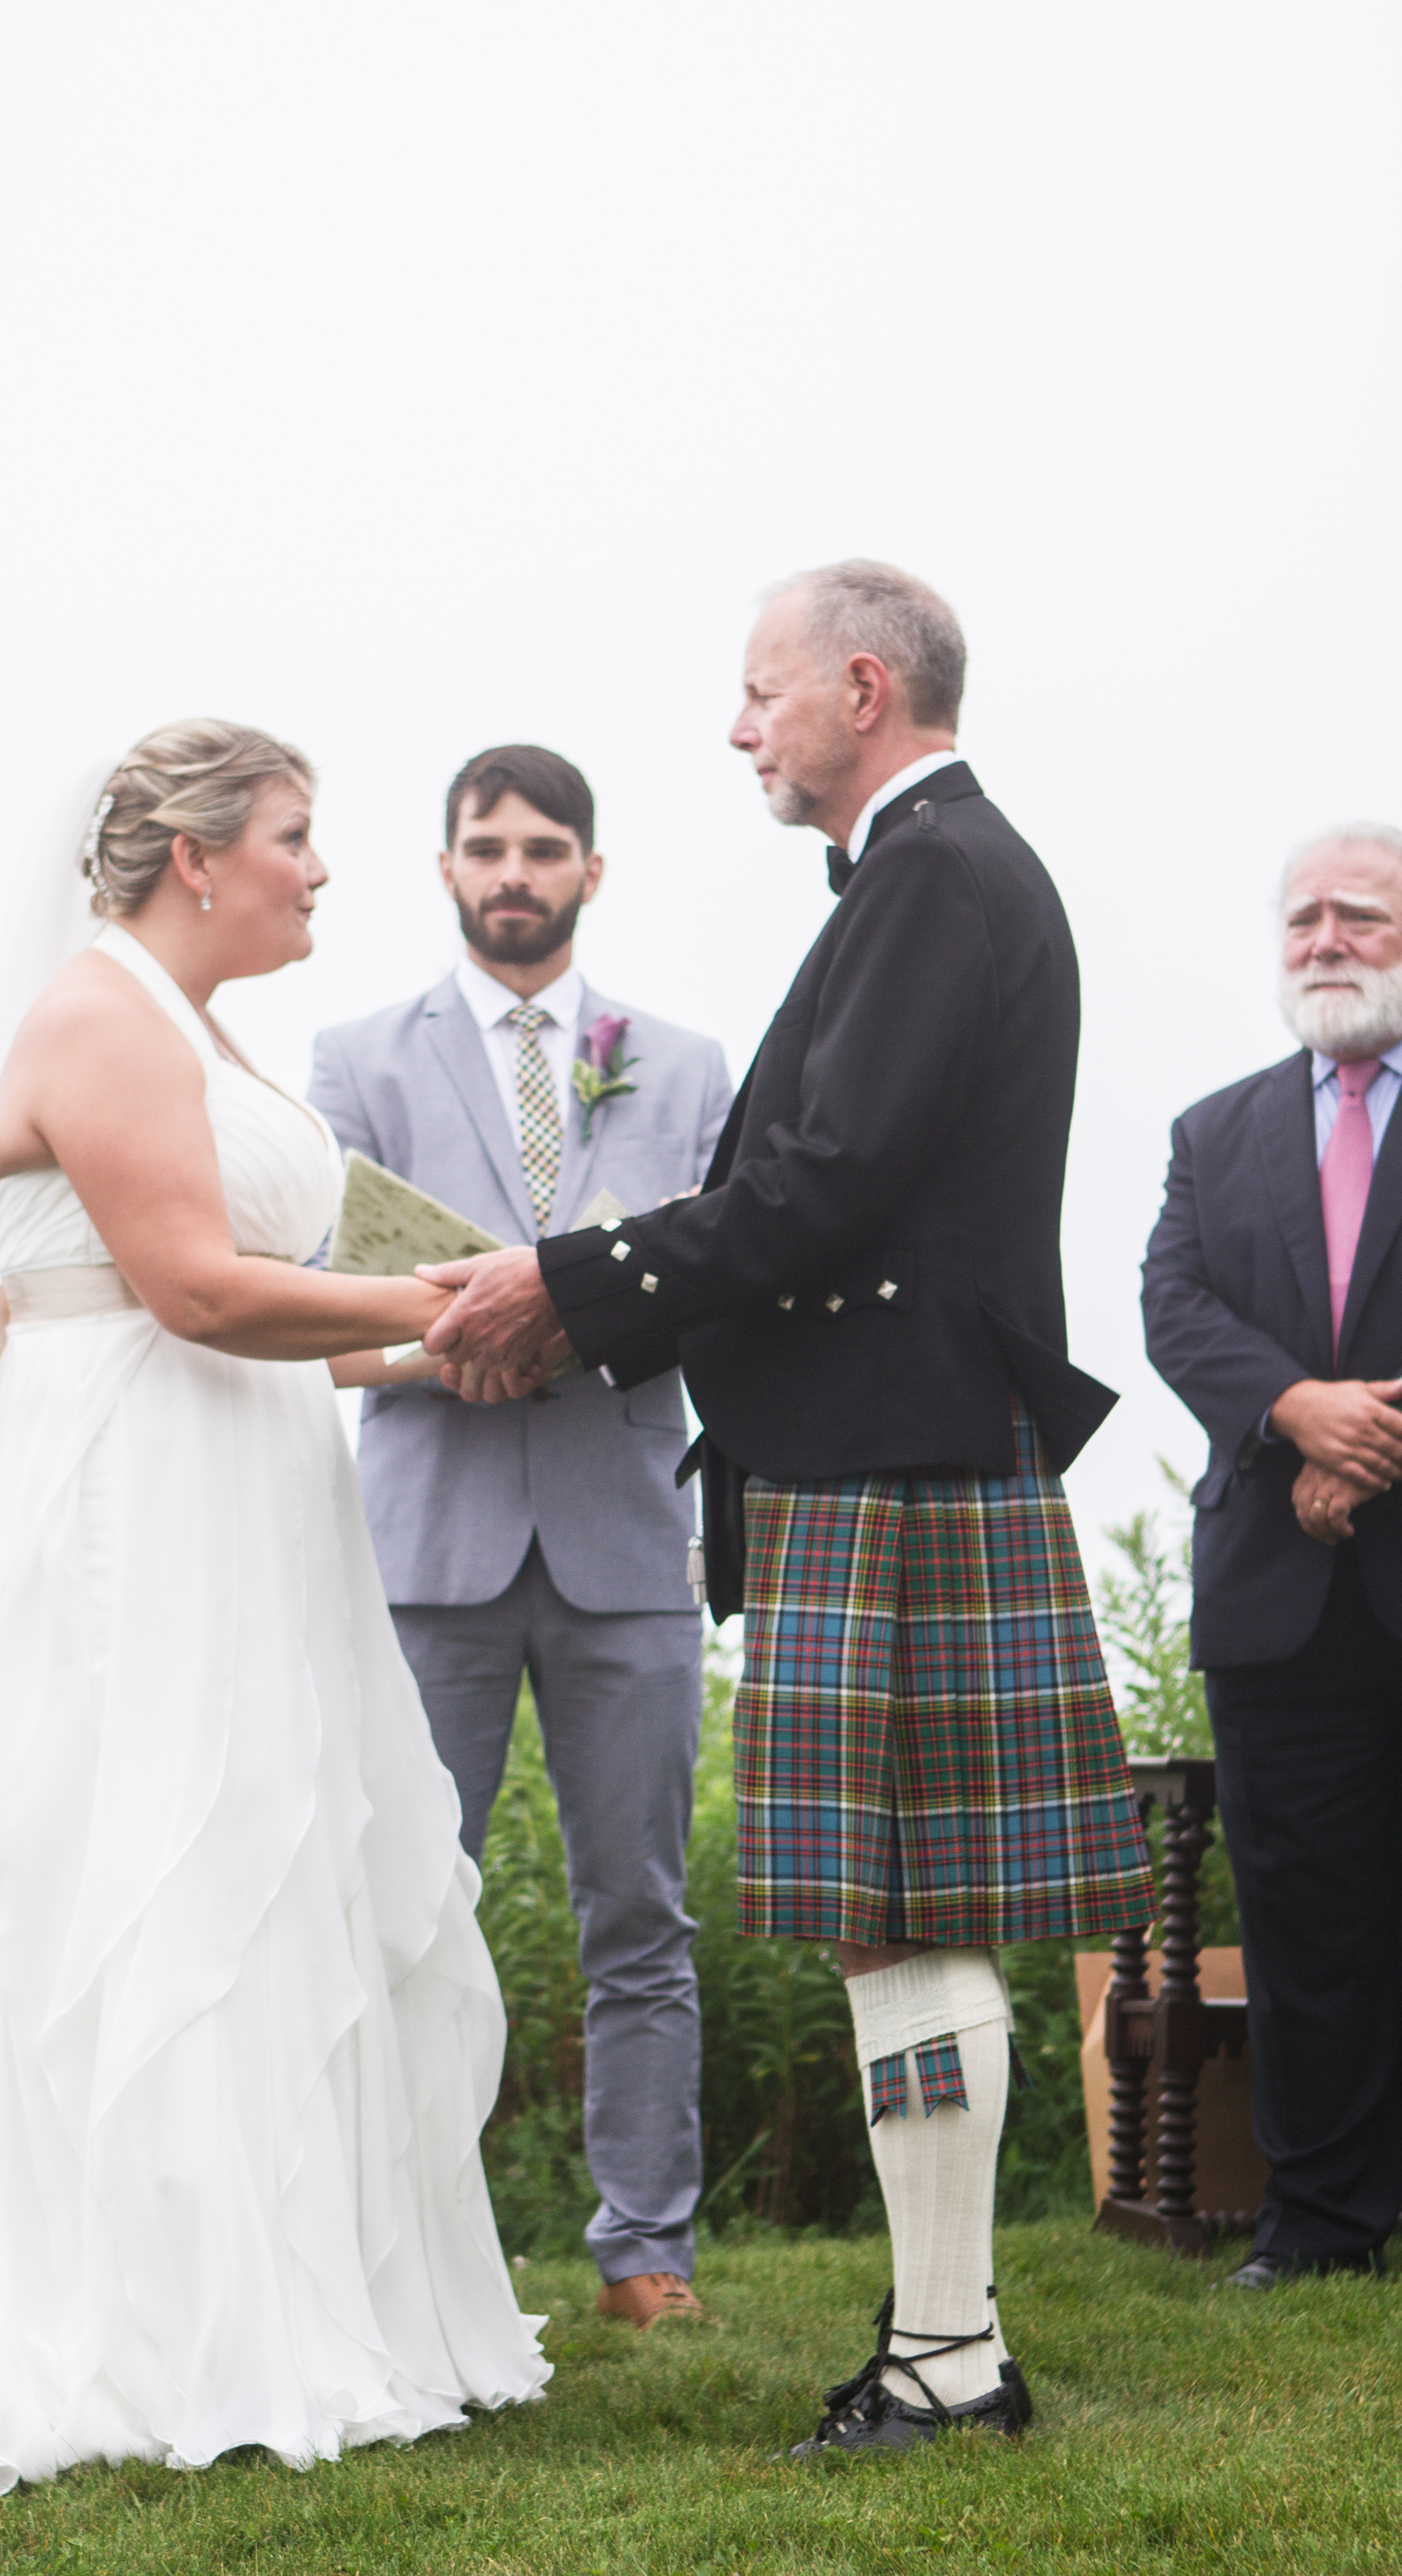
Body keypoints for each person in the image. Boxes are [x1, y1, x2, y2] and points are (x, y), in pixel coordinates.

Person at [422, 564, 1154, 2454]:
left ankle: (948, 2348)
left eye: (757, 694)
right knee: (899, 1922)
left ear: (858, 684)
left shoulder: (933, 875)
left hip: (894, 1450)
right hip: (885, 1447)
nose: (738, 730)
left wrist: (563, 1277)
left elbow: (823, 1188)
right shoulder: (937, 873)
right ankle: (948, 2337)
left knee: (909, 1918)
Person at [0, 720, 549, 2494]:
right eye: (295, 834)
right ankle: (138, 2317)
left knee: (279, 1843)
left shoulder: (196, 1033)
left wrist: (444, 1350)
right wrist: (444, 1305)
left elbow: (238, 1306)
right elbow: (193, 1294)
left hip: (243, 1486)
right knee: (153, 1856)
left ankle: (287, 2288)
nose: (321, 867)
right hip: (137, 1506)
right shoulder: (97, 1016)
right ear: (196, 856)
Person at [308, 743, 733, 2327]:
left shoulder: (680, 1068)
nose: (512, 871)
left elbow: (725, 1285)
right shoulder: (357, 1061)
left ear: (589, 873)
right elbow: (310, 1314)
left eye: (542, 847)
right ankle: (396, 2246)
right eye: (484, 845)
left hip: (626, 1545)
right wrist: (458, 1344)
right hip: (428, 1549)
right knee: (409, 1903)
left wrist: (576, 1327)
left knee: (639, 1913)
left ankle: (646, 2251)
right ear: (443, 870)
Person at [1142, 823, 1402, 2287]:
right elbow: (1171, 1308)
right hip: (1276, 1594)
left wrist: (1377, 1438)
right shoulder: (1214, 1131)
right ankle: (1321, 2224)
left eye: (1359, 916)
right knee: (1311, 1923)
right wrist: (1292, 1417)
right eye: (1302, 918)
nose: (1325, 940)